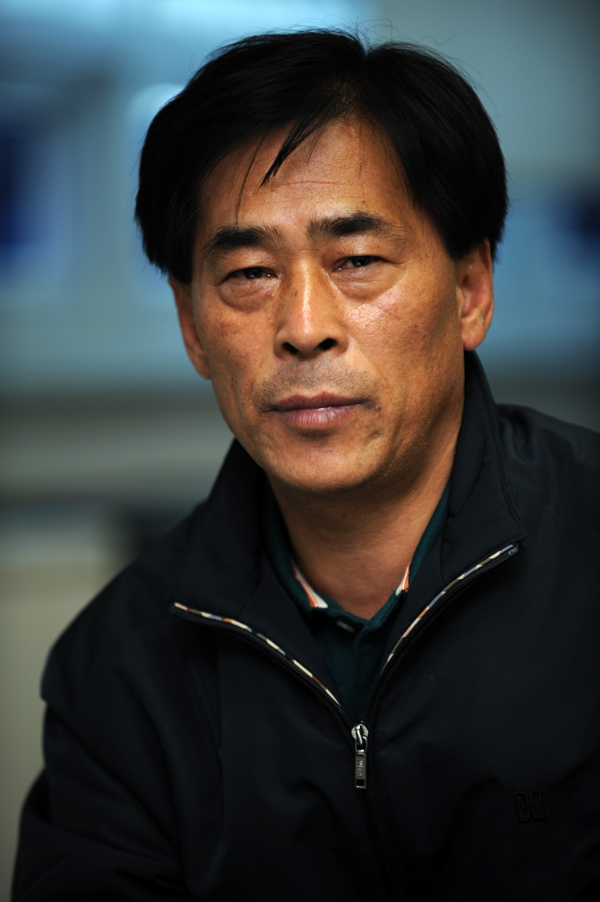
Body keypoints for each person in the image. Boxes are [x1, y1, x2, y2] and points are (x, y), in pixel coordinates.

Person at [12, 29, 600, 902]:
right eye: (249, 274)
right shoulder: (117, 665)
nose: (303, 327)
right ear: (191, 326)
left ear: (470, 289)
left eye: (356, 261)